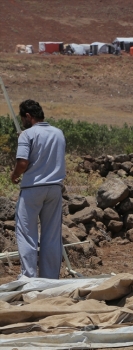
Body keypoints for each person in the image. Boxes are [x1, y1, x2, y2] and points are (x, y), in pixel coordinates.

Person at [10, 100, 67, 279]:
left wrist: (14, 175)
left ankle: (28, 278)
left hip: (32, 189)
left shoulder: (27, 135)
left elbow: (23, 162)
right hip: (54, 189)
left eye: (23, 118)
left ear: (28, 116)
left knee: (27, 234)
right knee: (51, 235)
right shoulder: (58, 133)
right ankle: (50, 279)